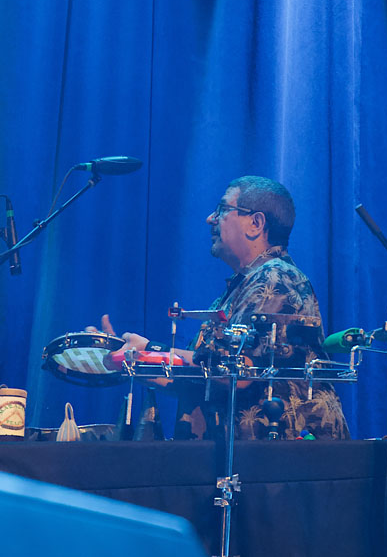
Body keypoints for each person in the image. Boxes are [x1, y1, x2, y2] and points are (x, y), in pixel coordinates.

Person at [99, 176, 349, 440]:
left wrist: (151, 349)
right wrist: (126, 359)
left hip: (289, 462)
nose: (210, 219)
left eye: (222, 209)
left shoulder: (277, 277)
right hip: (252, 460)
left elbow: (237, 371)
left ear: (256, 223)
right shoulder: (240, 289)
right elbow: (199, 377)